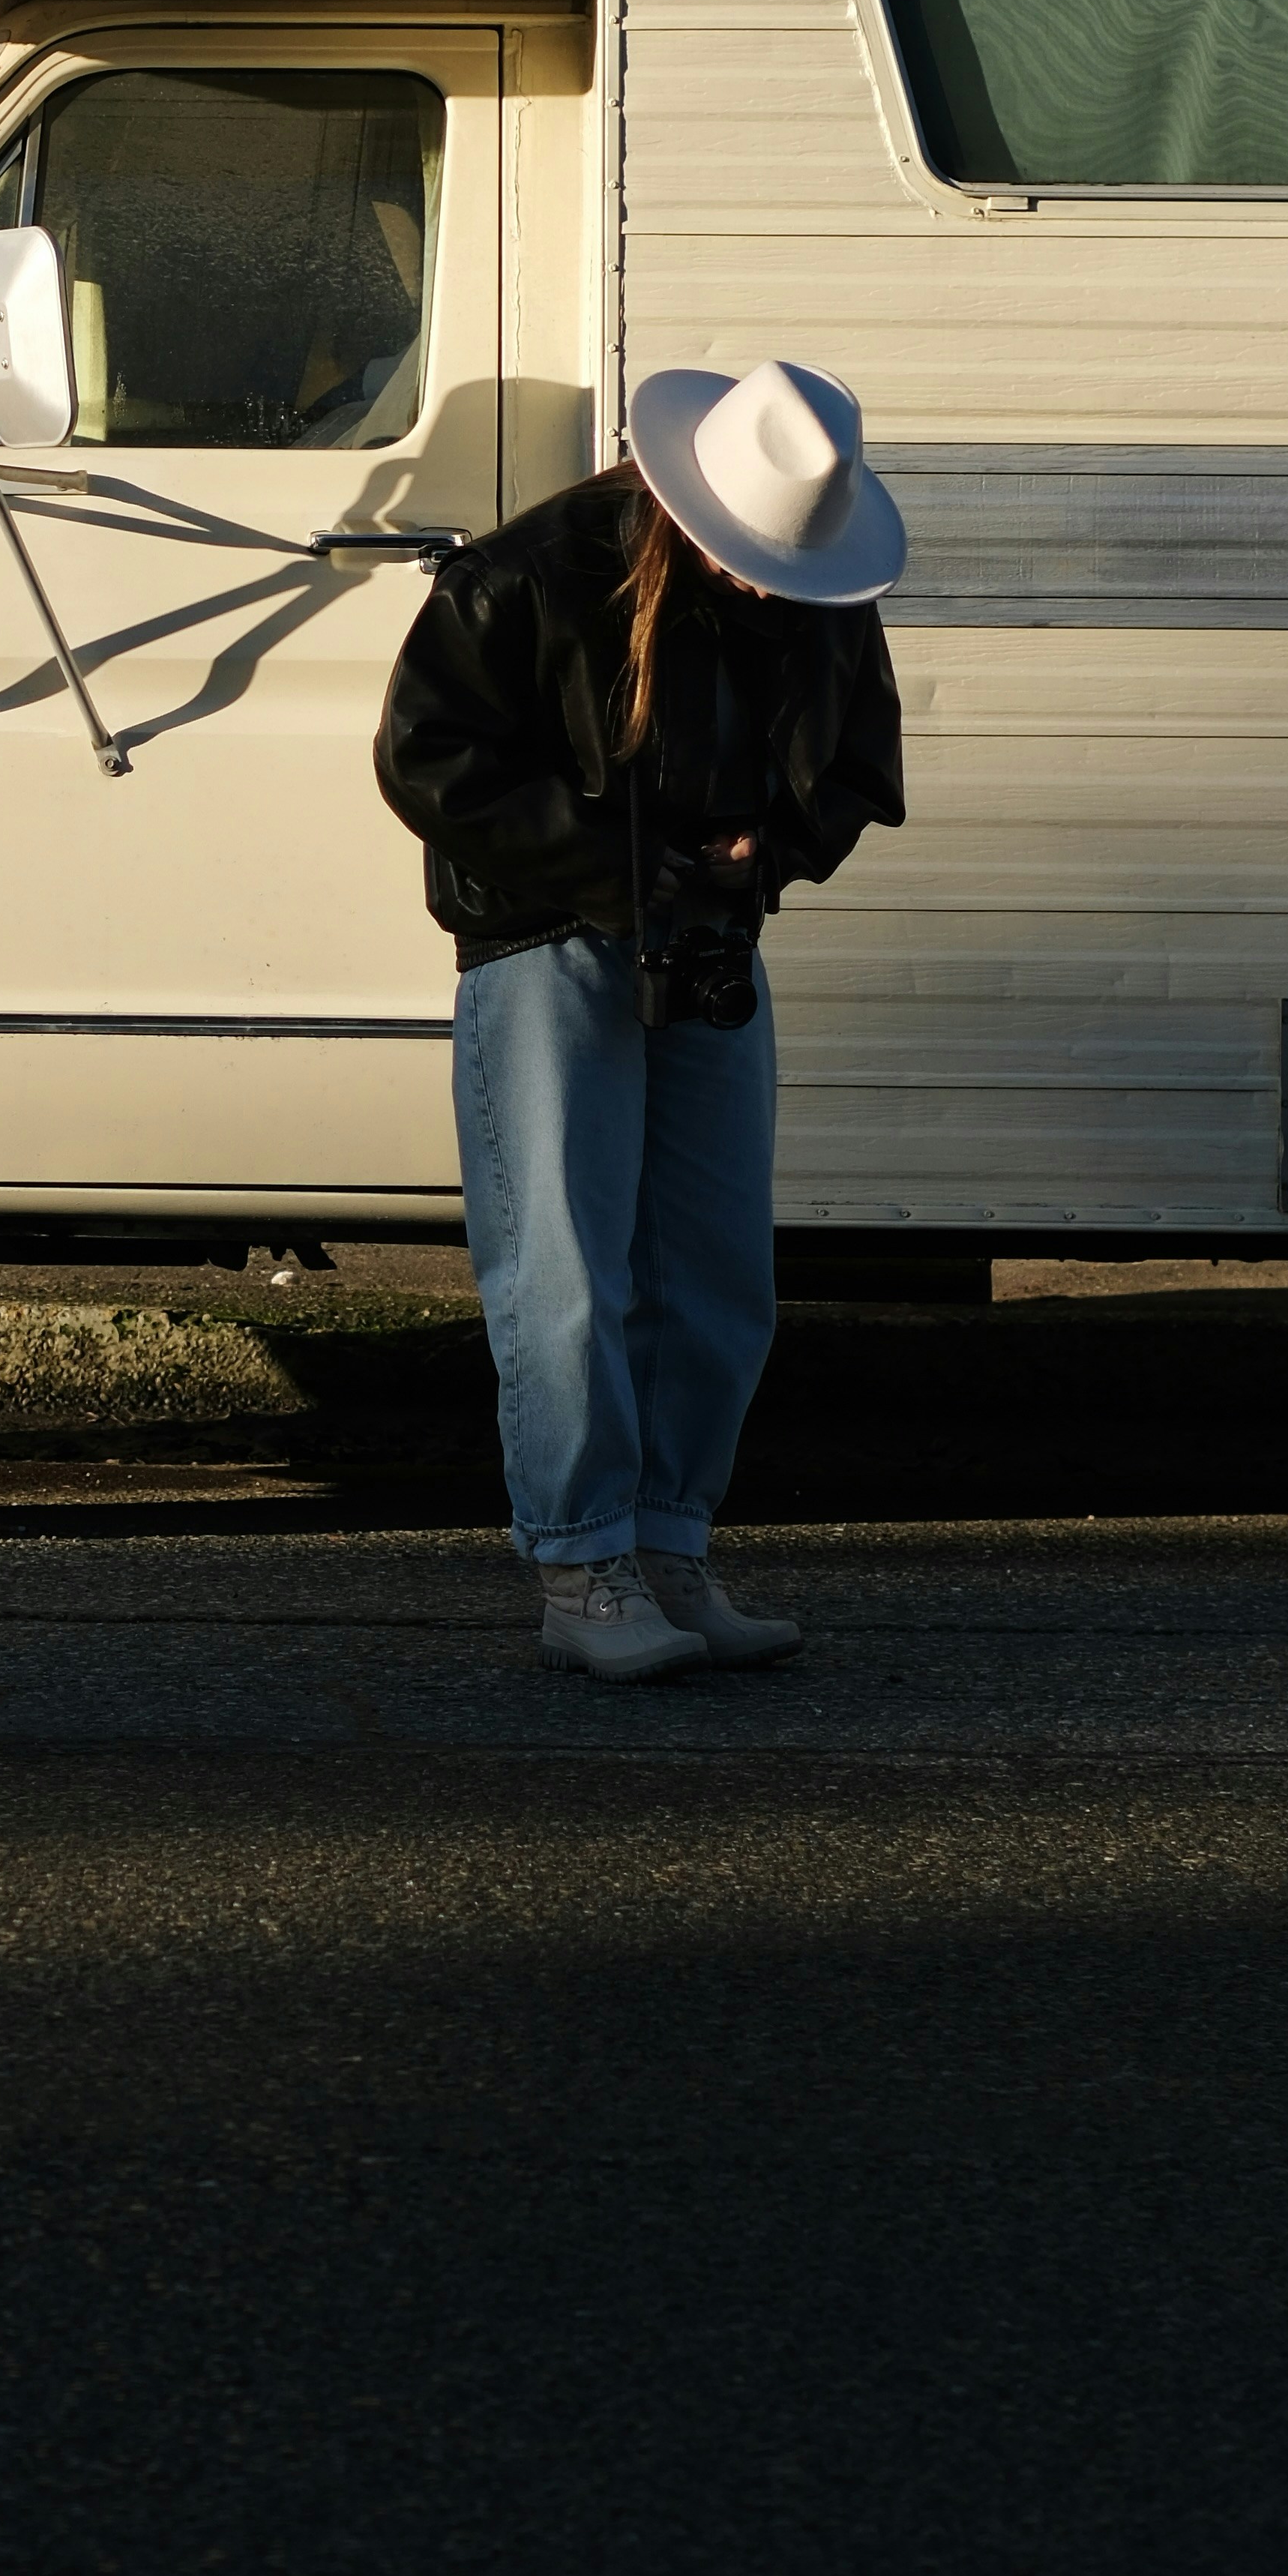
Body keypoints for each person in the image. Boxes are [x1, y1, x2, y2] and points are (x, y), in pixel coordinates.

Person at [375, 359, 906, 1680]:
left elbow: (859, 770)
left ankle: (664, 1548)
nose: (758, 583)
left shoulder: (822, 588)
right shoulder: (535, 569)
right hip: (551, 939)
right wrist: (629, 864)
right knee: (563, 1268)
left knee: (717, 1272)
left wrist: (756, 855)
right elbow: (425, 757)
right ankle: (583, 1566)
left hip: (706, 937)